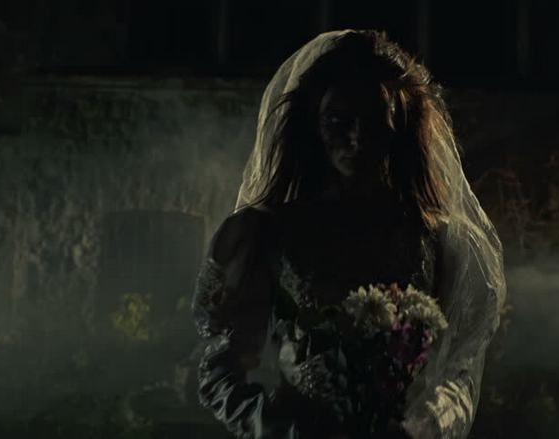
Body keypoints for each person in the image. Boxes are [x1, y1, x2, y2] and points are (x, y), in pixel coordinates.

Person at [191, 30, 506, 439]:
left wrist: (426, 424)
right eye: (339, 123)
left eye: (373, 123)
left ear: (397, 127)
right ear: (314, 125)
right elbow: (221, 367)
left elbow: (458, 370)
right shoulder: (266, 231)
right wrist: (278, 428)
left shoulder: (438, 239)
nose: (357, 139)